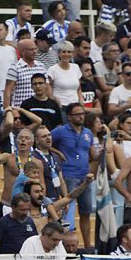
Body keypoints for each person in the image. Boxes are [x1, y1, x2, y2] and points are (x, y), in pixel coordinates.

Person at [52, 103, 96, 247]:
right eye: (77, 114)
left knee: (86, 212)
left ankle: (88, 245)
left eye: (82, 113)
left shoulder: (88, 133)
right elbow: (44, 142)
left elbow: (93, 155)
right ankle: (65, 244)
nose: (81, 116)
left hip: (85, 177)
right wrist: (58, 153)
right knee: (67, 211)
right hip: (68, 174)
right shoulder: (60, 131)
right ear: (69, 117)